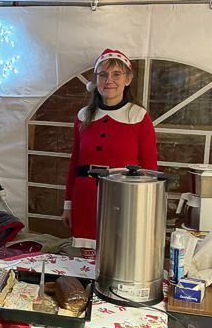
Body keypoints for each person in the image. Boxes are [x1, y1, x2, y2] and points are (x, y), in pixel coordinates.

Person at [62, 48, 157, 254]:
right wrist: (68, 205)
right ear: (96, 80)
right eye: (103, 75)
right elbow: (74, 163)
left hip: (123, 200)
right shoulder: (83, 116)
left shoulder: (138, 116)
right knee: (87, 263)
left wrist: (147, 211)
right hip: (85, 200)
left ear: (128, 79)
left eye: (116, 74)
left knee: (118, 257)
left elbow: (150, 170)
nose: (109, 80)